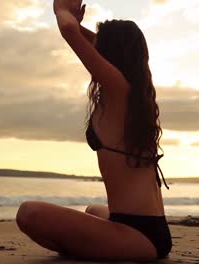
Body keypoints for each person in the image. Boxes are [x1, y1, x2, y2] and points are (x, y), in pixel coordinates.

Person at [15, 0, 172, 261]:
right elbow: (93, 41)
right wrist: (80, 25)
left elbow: (68, 32)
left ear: (110, 53)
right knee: (93, 210)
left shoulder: (117, 87)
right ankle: (95, 246)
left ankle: (91, 249)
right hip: (147, 228)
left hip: (138, 236)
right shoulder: (135, 90)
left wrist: (61, 11)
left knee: (28, 213)